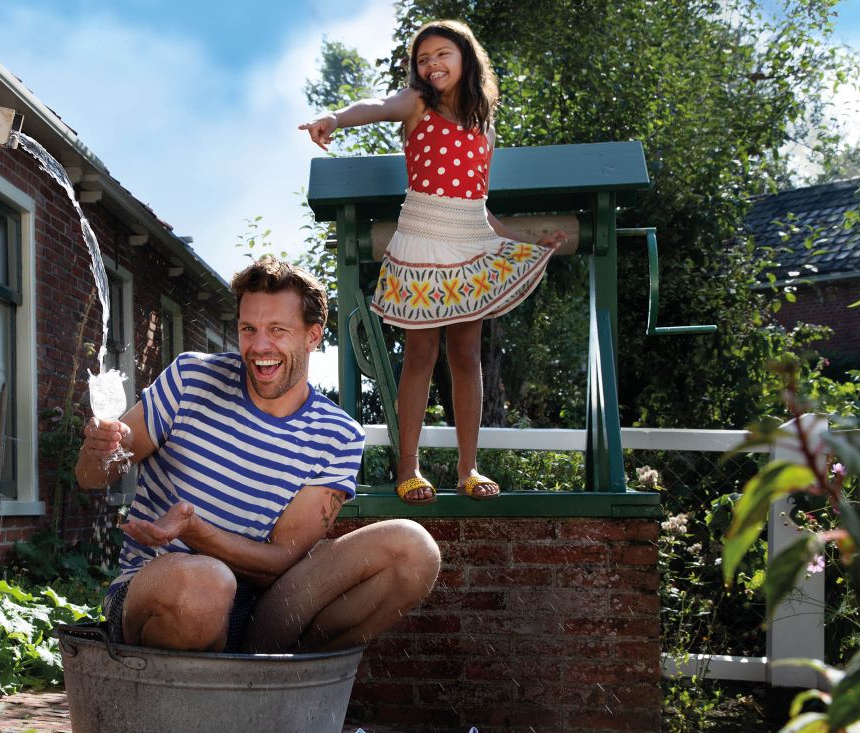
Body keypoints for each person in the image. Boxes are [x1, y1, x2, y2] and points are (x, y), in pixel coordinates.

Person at [75, 256, 440, 654]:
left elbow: (280, 560)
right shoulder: (191, 379)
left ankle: (280, 678)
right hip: (156, 592)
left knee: (413, 548)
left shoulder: (338, 436)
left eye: (277, 330)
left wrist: (196, 531)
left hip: (258, 611)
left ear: (313, 336)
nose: (259, 346)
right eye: (249, 329)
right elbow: (93, 477)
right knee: (208, 583)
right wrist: (99, 450)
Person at [299, 19, 568, 505]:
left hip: (468, 242)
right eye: (423, 59)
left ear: (466, 57)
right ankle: (409, 466)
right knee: (420, 354)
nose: (432, 64)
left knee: (466, 354)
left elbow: (476, 203)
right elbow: (377, 107)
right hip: (423, 240)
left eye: (442, 53)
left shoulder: (484, 125)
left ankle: (469, 467)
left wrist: (522, 243)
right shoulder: (416, 103)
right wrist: (335, 118)